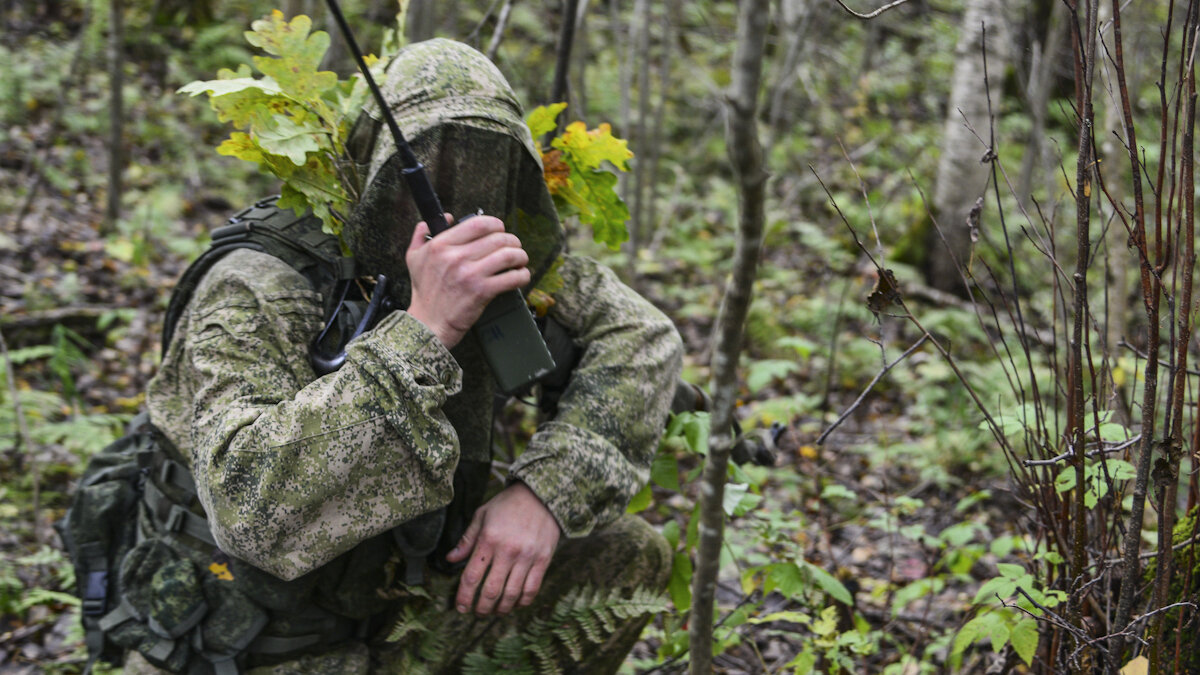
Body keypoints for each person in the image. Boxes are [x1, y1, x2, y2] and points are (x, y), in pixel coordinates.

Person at [122, 38, 683, 674]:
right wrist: (426, 328)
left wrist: (545, 494)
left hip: (395, 618)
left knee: (625, 555)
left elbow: (643, 335)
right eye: (422, 171)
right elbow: (250, 517)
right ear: (366, 167)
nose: (453, 201)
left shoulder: (501, 255)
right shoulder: (259, 284)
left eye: (486, 170)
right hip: (250, 646)